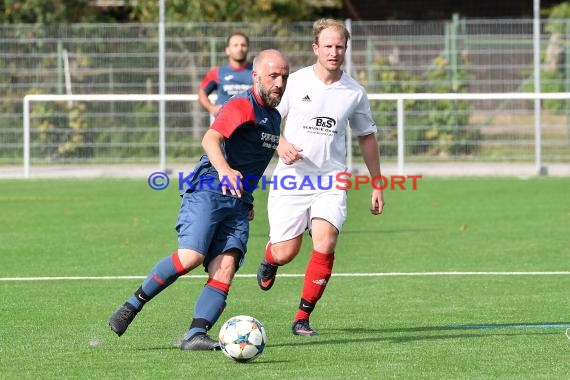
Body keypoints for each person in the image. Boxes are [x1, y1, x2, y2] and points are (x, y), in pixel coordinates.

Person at [109, 49, 289, 351]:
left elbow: (251, 160)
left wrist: (248, 199)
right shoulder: (242, 105)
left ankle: (195, 334)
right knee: (191, 257)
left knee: (226, 267)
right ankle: (133, 304)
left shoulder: (272, 118)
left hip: (238, 202)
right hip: (209, 188)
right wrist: (225, 170)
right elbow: (210, 138)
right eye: (273, 76)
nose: (280, 83)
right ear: (256, 76)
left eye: (284, 76)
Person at [256, 19, 385, 336]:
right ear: (316, 48)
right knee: (287, 251)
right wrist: (281, 144)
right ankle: (271, 258)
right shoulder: (295, 83)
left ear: (346, 49)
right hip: (292, 180)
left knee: (325, 243)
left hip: (331, 181)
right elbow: (267, 123)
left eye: (339, 46)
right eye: (328, 45)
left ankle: (302, 318)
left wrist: (377, 182)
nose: (334, 52)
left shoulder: (354, 93)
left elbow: (366, 137)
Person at [198, 32, 253, 117]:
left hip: (252, 123)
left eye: (243, 45)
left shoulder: (257, 71)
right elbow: (202, 93)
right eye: (235, 45)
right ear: (227, 50)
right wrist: (212, 108)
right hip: (225, 123)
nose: (240, 48)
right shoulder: (217, 72)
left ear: (248, 48)